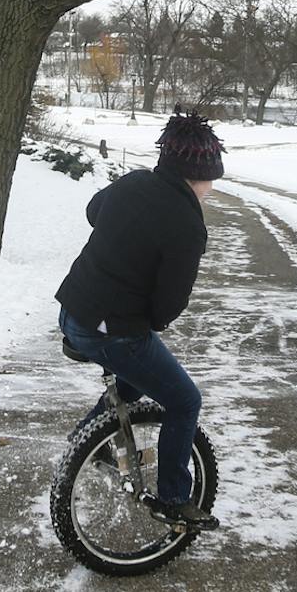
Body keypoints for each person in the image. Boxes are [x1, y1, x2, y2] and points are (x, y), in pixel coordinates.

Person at [56, 109, 224, 529]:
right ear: (195, 174)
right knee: (185, 400)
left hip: (72, 310)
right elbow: (168, 306)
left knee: (135, 375)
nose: (211, 189)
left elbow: (95, 211)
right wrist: (144, 321)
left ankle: (90, 440)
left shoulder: (132, 182)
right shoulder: (187, 225)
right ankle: (173, 497)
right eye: (211, 179)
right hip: (109, 329)